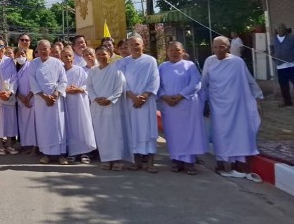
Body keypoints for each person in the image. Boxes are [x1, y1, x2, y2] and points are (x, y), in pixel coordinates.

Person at [203, 36, 263, 177]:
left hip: (236, 106)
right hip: (217, 105)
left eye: (221, 47)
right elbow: (204, 83)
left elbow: (248, 80)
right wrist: (203, 102)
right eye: (215, 47)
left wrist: (258, 97)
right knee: (220, 135)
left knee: (238, 133)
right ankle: (221, 163)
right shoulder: (209, 61)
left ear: (228, 48)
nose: (218, 50)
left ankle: (238, 163)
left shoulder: (237, 62)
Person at [158, 41, 206, 175]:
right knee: (173, 134)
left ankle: (190, 162)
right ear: (167, 52)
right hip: (169, 107)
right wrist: (164, 96)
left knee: (189, 133)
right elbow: (157, 84)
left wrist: (180, 96)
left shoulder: (189, 66)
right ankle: (176, 160)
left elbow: (196, 83)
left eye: (177, 50)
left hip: (187, 105)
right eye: (171, 50)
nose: (174, 53)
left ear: (183, 51)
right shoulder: (162, 67)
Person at [86, 46, 133, 170]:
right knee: (101, 133)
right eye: (99, 54)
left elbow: (120, 87)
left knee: (114, 132)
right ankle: (106, 159)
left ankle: (117, 160)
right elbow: (89, 87)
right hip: (97, 106)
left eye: (104, 54)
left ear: (109, 54)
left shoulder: (116, 69)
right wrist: (95, 98)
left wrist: (110, 99)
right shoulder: (93, 70)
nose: (101, 56)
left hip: (112, 107)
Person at [122, 35, 160, 173]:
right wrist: (132, 96)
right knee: (134, 131)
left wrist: (144, 96)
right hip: (130, 102)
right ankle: (136, 161)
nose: (134, 47)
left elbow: (154, 80)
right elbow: (121, 82)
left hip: (147, 102)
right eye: (131, 44)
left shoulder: (150, 61)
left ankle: (150, 162)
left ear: (143, 45)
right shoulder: (124, 62)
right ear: (128, 47)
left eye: (137, 44)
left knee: (149, 130)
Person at [30, 40, 68, 164]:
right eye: (40, 49)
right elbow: (32, 82)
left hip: (56, 99)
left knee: (58, 126)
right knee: (44, 127)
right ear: (37, 50)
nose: (42, 51)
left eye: (45, 49)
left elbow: (63, 80)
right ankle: (46, 154)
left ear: (50, 50)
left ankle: (61, 155)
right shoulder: (33, 64)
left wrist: (55, 94)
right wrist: (44, 96)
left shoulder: (58, 63)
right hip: (41, 100)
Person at [62, 47, 96, 164]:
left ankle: (85, 152)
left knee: (82, 126)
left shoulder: (80, 70)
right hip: (66, 103)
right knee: (69, 127)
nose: (68, 58)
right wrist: (65, 89)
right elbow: (58, 85)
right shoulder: (60, 71)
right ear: (61, 58)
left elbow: (88, 85)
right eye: (65, 56)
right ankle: (72, 152)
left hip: (80, 102)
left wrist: (79, 89)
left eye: (69, 56)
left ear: (73, 57)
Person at [14, 46, 37, 153]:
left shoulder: (31, 66)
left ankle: (33, 146)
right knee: (23, 123)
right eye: (18, 55)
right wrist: (19, 96)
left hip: (31, 99)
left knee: (32, 124)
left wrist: (29, 96)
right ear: (15, 56)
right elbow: (13, 84)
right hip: (20, 100)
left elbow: (35, 82)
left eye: (23, 54)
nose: (21, 56)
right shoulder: (14, 68)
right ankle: (25, 144)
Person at [271, 23, 294, 107]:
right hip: (281, 67)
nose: (280, 29)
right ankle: (287, 101)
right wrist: (273, 56)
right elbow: (272, 49)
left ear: (285, 29)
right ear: (276, 30)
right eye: (278, 28)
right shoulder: (274, 39)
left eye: (282, 28)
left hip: (293, 65)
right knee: (283, 85)